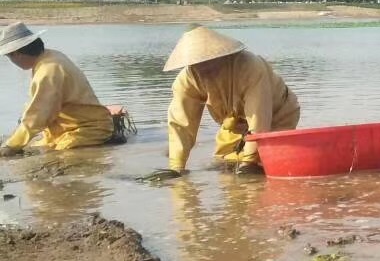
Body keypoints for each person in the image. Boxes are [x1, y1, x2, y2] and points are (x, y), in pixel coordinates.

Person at [153, 26, 300, 179]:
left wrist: (248, 162)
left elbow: (259, 119)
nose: (204, 69)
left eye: (209, 62)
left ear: (221, 56)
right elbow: (181, 125)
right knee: (224, 165)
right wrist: (177, 168)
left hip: (277, 114)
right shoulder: (186, 81)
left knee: (264, 164)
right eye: (197, 65)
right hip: (235, 122)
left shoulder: (250, 67)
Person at [1, 22, 117, 155]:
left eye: (9, 56)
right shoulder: (51, 56)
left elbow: (37, 117)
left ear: (17, 53)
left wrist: (10, 146)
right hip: (68, 127)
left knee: (58, 159)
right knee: (35, 147)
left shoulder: (48, 70)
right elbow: (36, 106)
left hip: (87, 129)